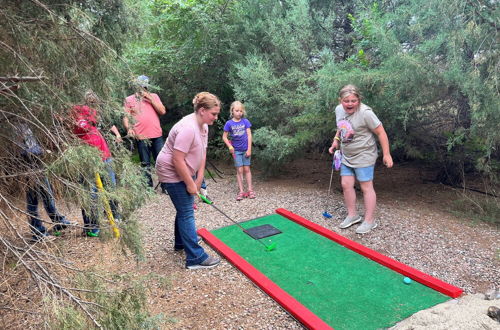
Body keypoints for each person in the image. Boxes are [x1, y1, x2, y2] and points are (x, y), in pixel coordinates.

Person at [155, 92, 221, 270]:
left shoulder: (204, 126)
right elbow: (177, 159)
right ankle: (195, 258)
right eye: (213, 114)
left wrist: (198, 179)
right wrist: (190, 184)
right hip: (170, 170)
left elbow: (202, 153)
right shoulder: (188, 128)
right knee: (186, 211)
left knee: (184, 208)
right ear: (202, 110)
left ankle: (181, 243)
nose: (216, 117)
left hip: (184, 168)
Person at [328, 85, 393, 234]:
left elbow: (381, 132)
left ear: (358, 100)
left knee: (365, 186)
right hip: (347, 154)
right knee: (346, 184)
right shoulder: (339, 109)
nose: (350, 104)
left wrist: (386, 154)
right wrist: (336, 140)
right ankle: (353, 215)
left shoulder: (366, 113)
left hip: (364, 154)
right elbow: (341, 126)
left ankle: (370, 221)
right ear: (341, 101)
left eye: (353, 100)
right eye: (346, 101)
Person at [72, 90, 121, 237]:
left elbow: (105, 122)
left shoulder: (94, 114)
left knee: (111, 187)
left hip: (105, 155)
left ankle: (115, 216)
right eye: (91, 103)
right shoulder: (76, 112)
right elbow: (81, 127)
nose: (94, 106)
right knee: (90, 193)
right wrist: (89, 115)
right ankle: (91, 226)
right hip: (87, 159)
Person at [13, 123, 72, 241]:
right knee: (32, 202)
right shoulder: (17, 126)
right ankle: (38, 233)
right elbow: (24, 151)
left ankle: (59, 221)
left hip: (38, 169)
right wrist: (43, 151)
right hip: (29, 171)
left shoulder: (25, 125)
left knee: (47, 196)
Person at [123, 75, 166, 187]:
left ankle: (166, 186)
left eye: (145, 85)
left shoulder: (154, 96)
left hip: (156, 134)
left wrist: (150, 99)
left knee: (161, 162)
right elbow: (126, 117)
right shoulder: (129, 99)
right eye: (140, 85)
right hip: (141, 136)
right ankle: (148, 187)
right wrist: (129, 128)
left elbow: (162, 111)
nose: (143, 88)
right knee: (145, 163)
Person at [222, 101, 255, 201]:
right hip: (236, 151)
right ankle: (241, 191)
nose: (239, 113)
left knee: (247, 169)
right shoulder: (229, 123)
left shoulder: (245, 122)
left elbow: (249, 135)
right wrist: (229, 146)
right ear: (232, 111)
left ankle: (250, 190)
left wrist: (249, 149)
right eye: (237, 111)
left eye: (241, 111)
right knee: (239, 170)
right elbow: (224, 137)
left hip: (245, 150)